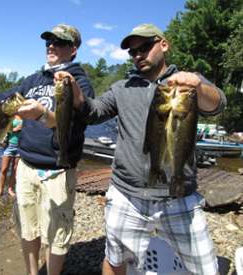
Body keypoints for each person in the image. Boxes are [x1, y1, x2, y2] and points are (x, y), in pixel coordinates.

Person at [23, 23, 227, 275]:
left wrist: (197, 86)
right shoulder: (122, 87)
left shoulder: (188, 83)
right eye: (132, 52)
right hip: (126, 195)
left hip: (179, 196)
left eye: (144, 47)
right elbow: (93, 113)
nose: (138, 55)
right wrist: (76, 95)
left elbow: (216, 104)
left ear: (163, 44)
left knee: (205, 269)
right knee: (115, 261)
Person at [0, 24, 94, 275]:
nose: (51, 45)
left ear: (73, 50)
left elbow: (74, 123)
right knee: (28, 228)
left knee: (57, 234)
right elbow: (0, 103)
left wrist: (41, 115)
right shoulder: (33, 79)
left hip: (58, 171)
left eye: (59, 42)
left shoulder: (78, 82)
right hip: (26, 167)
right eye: (48, 41)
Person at [0, 114, 22, 198]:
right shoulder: (11, 116)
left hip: (21, 146)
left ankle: (10, 189)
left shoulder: (26, 116)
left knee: (15, 169)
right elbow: (4, 129)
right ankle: (0, 191)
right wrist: (16, 129)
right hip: (9, 145)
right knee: (4, 169)